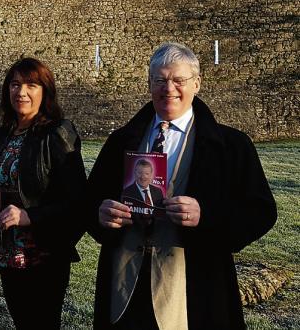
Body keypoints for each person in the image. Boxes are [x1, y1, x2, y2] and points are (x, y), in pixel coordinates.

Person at [89, 42, 277, 330]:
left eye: (179, 80)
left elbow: (261, 212)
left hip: (193, 290)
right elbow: (89, 201)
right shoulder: (121, 141)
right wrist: (101, 214)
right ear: (149, 84)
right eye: (160, 80)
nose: (169, 89)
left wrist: (206, 216)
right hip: (124, 288)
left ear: (197, 83)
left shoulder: (232, 146)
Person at [0, 57, 87, 330]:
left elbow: (78, 200)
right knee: (22, 322)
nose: (21, 92)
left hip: (43, 251)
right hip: (8, 248)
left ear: (45, 91)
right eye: (15, 84)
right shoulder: (5, 134)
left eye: (31, 85)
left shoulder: (57, 132)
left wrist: (30, 216)